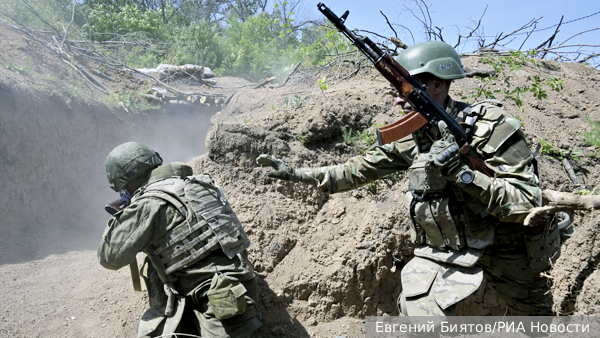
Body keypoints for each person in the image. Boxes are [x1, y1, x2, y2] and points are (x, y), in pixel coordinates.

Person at [257, 41, 566, 316]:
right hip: (448, 253)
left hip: (508, 249)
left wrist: (464, 174)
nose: (397, 100)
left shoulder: (492, 127)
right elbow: (356, 170)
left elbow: (527, 203)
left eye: (405, 89)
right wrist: (298, 174)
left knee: (544, 319)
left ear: (436, 84)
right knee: (418, 315)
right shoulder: (413, 137)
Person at [98, 142, 262, 338]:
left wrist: (122, 217)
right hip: (234, 288)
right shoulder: (197, 183)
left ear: (126, 182)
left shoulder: (149, 203)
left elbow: (109, 257)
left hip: (218, 301)